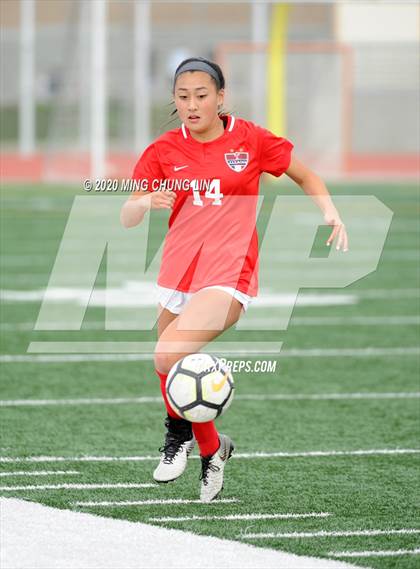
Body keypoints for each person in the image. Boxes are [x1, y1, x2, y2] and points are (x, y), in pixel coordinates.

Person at [120, 57, 348, 503]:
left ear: (220, 97)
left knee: (169, 353)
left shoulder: (251, 139)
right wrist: (146, 201)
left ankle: (176, 435)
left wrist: (329, 209)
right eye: (182, 97)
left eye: (201, 95)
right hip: (178, 272)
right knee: (168, 366)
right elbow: (127, 216)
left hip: (230, 273)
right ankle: (211, 449)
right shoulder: (163, 149)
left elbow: (305, 175)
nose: (192, 104)